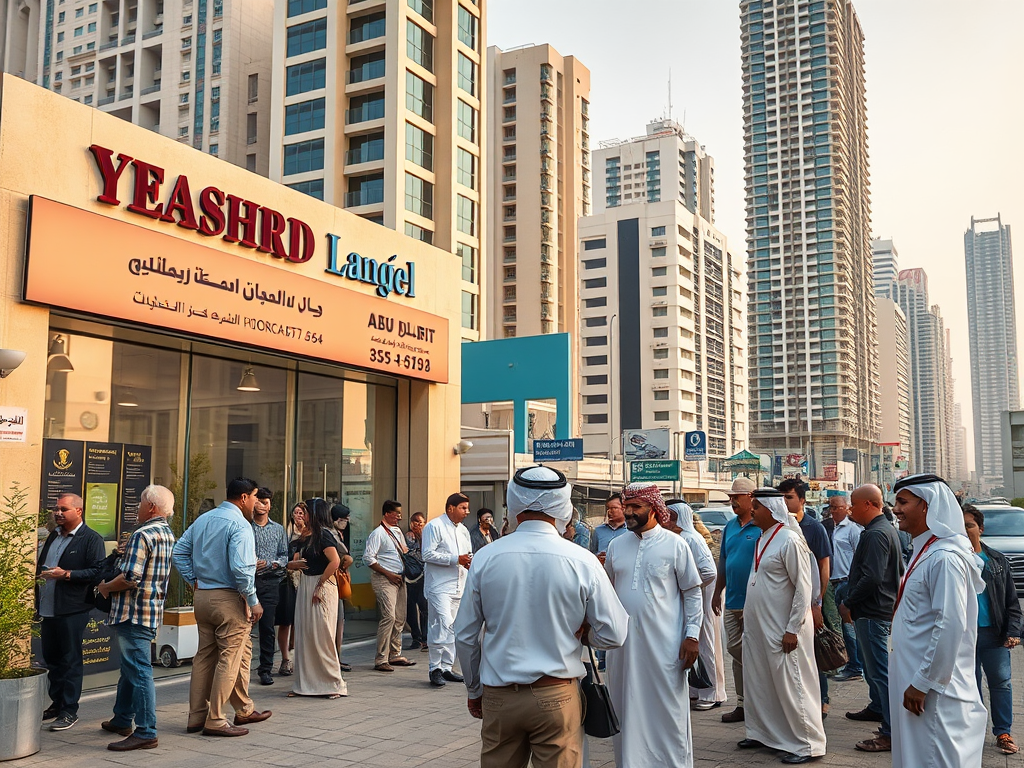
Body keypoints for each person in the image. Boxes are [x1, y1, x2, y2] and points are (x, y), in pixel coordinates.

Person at [454, 466, 629, 768]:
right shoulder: (582, 560)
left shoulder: (485, 557)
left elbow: (465, 635)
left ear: (514, 504)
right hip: (557, 695)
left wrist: (474, 690)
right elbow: (615, 633)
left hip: (499, 696)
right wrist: (586, 634)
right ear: (564, 506)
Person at [889, 474, 987, 768]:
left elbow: (951, 623)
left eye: (903, 502)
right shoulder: (928, 550)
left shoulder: (944, 557)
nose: (895, 510)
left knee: (937, 755)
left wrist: (923, 682)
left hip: (934, 689)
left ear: (927, 505)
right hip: (918, 681)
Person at [605, 484, 703, 767]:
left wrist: (692, 636)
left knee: (666, 708)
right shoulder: (616, 545)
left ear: (653, 508)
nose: (629, 512)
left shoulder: (675, 545)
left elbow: (693, 592)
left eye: (636, 506)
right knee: (625, 706)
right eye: (627, 506)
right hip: (623, 646)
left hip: (666, 644)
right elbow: (608, 591)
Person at [171, 477, 271, 737]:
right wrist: (253, 600)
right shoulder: (240, 524)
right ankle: (216, 719)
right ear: (244, 498)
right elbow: (241, 568)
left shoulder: (204, 518)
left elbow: (179, 551)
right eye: (255, 498)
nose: (257, 504)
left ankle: (197, 716)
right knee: (230, 657)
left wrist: (193, 578)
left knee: (204, 657)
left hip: (203, 596)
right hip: (228, 598)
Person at [739, 489, 826, 765]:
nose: (751, 510)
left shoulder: (789, 540)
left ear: (771, 509)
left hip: (784, 629)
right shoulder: (763, 538)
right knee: (760, 681)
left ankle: (807, 744)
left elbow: (803, 588)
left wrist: (793, 628)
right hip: (759, 628)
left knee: (793, 684)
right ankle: (764, 733)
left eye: (756, 506)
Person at [96, 485, 176, 750]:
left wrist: (105, 587)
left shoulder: (142, 534)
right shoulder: (165, 532)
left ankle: (146, 731)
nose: (137, 507)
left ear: (151, 507)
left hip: (132, 612)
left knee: (139, 670)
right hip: (150, 610)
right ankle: (122, 719)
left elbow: (131, 577)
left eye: (140, 502)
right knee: (131, 667)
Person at [36, 492, 106, 732]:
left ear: (78, 511)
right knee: (52, 659)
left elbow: (97, 572)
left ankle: (69, 711)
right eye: (56, 509)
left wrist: (65, 574)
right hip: (48, 608)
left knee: (70, 660)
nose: (57, 513)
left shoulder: (90, 539)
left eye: (63, 509)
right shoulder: (53, 536)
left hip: (73, 609)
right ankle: (56, 704)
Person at [841, 484, 902, 752]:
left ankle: (890, 732)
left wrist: (849, 602)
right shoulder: (880, 530)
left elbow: (873, 577)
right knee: (873, 669)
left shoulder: (877, 533)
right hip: (875, 609)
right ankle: (878, 708)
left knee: (879, 673)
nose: (850, 509)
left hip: (872, 611)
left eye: (853, 504)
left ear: (869, 504)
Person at [963, 504, 1022, 755]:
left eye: (970, 525)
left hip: (993, 634)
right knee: (968, 687)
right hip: (963, 637)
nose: (965, 531)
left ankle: (1003, 732)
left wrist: (1014, 631)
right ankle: (972, 733)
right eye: (960, 526)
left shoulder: (996, 560)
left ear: (980, 529)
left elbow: (1012, 601)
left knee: (1001, 683)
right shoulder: (950, 559)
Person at [778, 478, 834, 718]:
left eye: (789, 497)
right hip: (784, 606)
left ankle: (821, 700)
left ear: (801, 500)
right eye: (781, 497)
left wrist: (817, 602)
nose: (784, 502)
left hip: (809, 603)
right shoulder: (779, 528)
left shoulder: (814, 527)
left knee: (813, 652)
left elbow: (823, 566)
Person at [668, 499, 728, 710]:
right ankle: (696, 690)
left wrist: (690, 588)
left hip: (702, 598)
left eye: (670, 517)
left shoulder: (691, 539)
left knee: (706, 645)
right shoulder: (680, 538)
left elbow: (709, 572)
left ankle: (712, 693)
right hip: (694, 599)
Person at [711, 476, 760, 723]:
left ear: (751, 498)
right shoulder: (731, 526)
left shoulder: (762, 524)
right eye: (730, 498)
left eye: (736, 497)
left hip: (755, 603)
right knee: (735, 651)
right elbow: (723, 561)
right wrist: (717, 591)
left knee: (752, 653)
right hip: (732, 601)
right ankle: (742, 702)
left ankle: (759, 699)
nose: (733, 502)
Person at [288, 498, 346, 698]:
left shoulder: (324, 535)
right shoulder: (306, 536)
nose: (302, 515)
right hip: (306, 584)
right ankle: (305, 684)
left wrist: (320, 584)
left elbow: (335, 561)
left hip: (322, 585)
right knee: (305, 634)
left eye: (306, 511)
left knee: (323, 635)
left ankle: (332, 683)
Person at [423, 492, 473, 686]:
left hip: (459, 585)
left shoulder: (463, 530)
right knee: (442, 625)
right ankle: (434, 668)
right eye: (463, 508)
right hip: (439, 586)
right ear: (450, 508)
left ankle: (446, 667)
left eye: (467, 508)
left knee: (454, 627)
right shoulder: (434, 526)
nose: (466, 512)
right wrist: (455, 559)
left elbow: (467, 555)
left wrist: (469, 564)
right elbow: (427, 554)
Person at [362, 499, 416, 672]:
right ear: (387, 513)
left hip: (399, 578)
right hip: (384, 579)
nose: (399, 516)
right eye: (396, 513)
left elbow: (404, 552)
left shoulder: (398, 532)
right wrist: (388, 574)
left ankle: (395, 653)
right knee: (389, 617)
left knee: (400, 617)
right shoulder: (378, 533)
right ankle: (381, 658)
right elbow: (368, 558)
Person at [251, 487, 288, 686]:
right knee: (243, 626)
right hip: (248, 581)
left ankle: (265, 669)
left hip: (270, 581)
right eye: (259, 501)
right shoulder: (245, 527)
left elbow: (284, 556)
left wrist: (269, 563)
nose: (262, 505)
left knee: (267, 627)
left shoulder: (278, 529)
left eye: (266, 502)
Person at [827, 493, 863, 682]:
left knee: (849, 626)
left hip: (847, 581)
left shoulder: (852, 530)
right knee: (843, 625)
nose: (832, 511)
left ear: (846, 508)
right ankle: (853, 663)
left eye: (836, 507)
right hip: (834, 582)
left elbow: (860, 557)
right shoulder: (830, 528)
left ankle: (856, 666)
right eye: (830, 507)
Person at [275, 502, 306, 676]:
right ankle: (286, 659)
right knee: (286, 620)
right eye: (296, 512)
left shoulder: (312, 534)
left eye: (302, 512)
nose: (299, 515)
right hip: (288, 579)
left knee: (301, 620)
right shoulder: (285, 532)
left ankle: (298, 657)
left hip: (305, 579)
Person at [330, 504, 355, 672]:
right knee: (336, 619)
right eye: (343, 519)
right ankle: (334, 658)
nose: (345, 522)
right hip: (332, 580)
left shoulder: (339, 533)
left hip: (338, 579)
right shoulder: (331, 534)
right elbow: (344, 554)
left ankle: (337, 657)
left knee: (340, 619)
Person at [405, 512, 429, 652]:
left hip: (424, 576)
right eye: (415, 522)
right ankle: (416, 637)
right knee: (410, 608)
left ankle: (425, 638)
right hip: (410, 577)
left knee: (424, 607)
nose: (417, 525)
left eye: (420, 522)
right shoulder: (408, 536)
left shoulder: (427, 536)